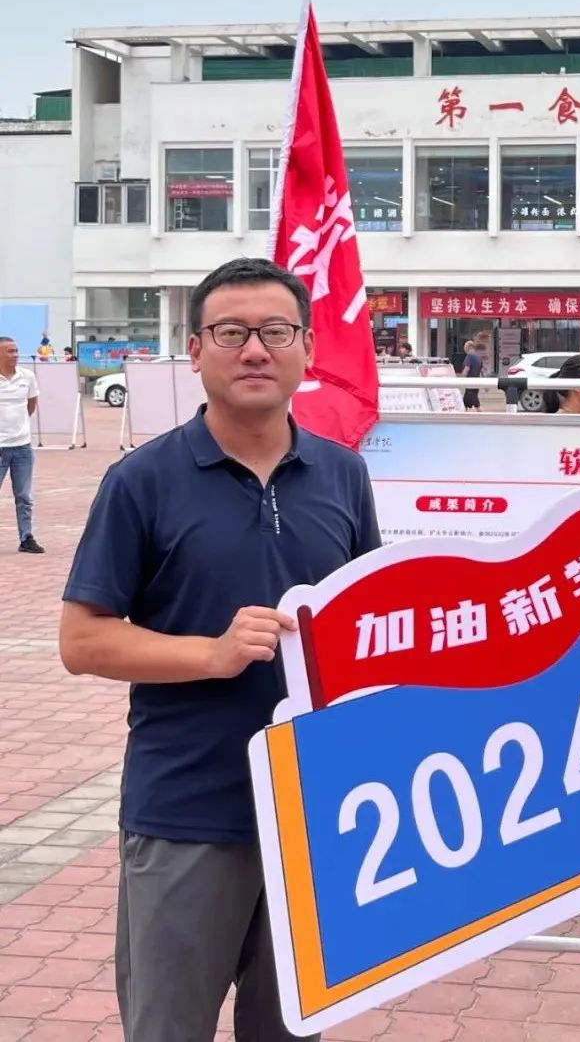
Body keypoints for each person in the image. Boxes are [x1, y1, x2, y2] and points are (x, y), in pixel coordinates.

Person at [58, 257, 383, 1042]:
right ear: (197, 350)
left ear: (307, 348)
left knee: (289, 1029)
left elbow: (367, 625)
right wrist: (211, 653)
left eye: (276, 331)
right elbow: (82, 638)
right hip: (188, 810)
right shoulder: (142, 480)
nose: (256, 350)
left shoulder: (343, 475)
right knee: (168, 1027)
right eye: (232, 332)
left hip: (313, 812)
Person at [0, 337, 44, 554]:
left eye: (16, 350)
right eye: (10, 351)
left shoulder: (27, 377)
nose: (15, 355)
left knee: (24, 496)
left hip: (22, 447)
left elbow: (31, 405)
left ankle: (26, 538)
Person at [460, 339, 482, 411]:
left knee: (475, 403)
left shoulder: (469, 356)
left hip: (470, 382)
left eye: (465, 348)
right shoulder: (478, 357)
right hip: (476, 382)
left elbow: (467, 368)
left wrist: (461, 379)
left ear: (469, 347)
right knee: (467, 402)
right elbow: (481, 370)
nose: (464, 350)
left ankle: (482, 414)